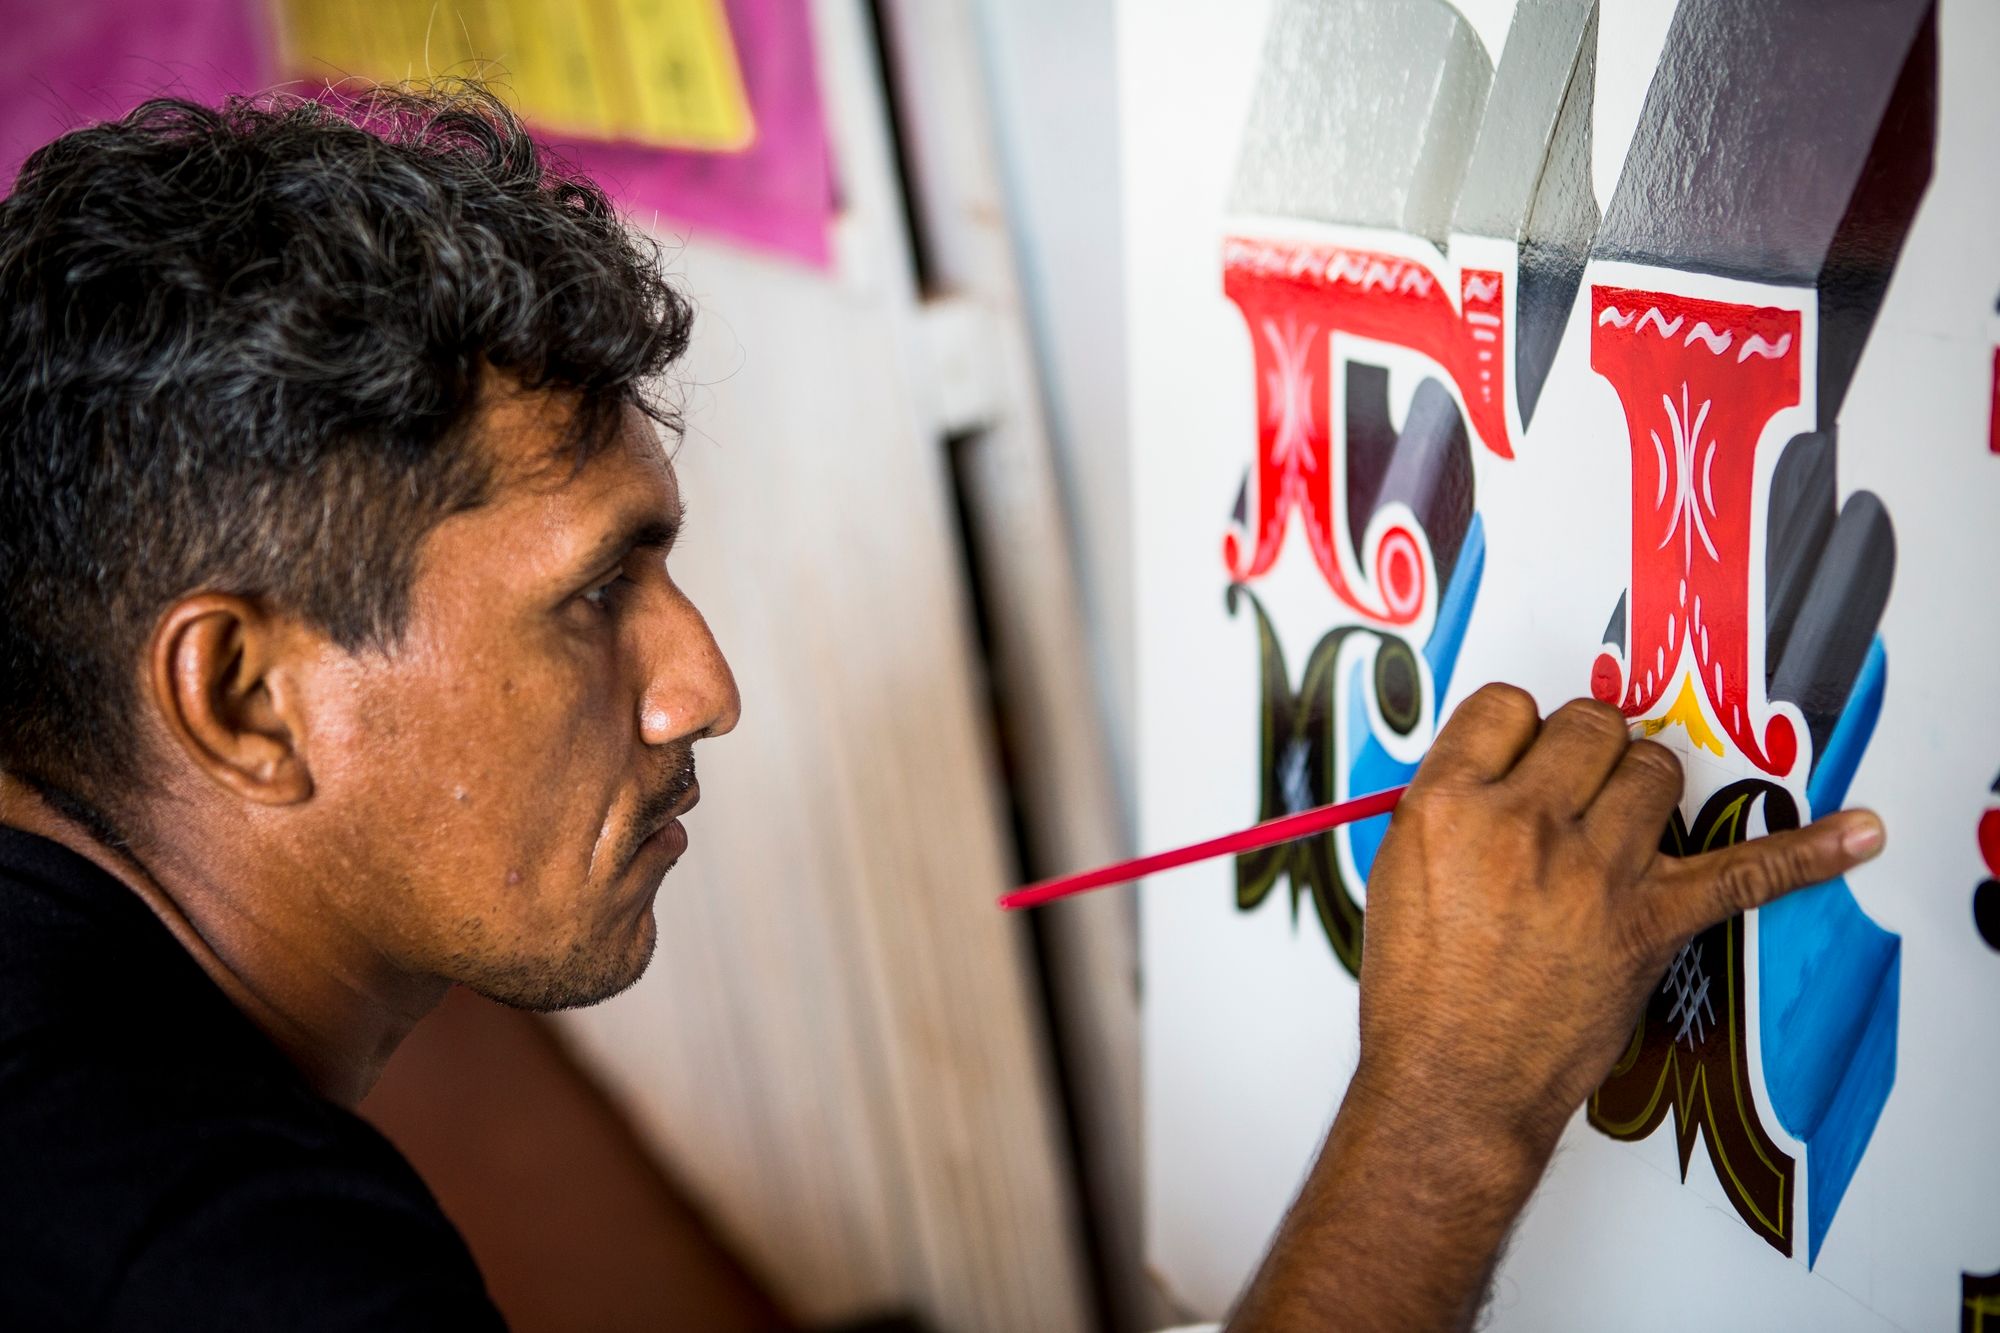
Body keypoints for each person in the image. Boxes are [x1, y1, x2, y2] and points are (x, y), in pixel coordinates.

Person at [0, 87, 1883, 1332]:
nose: (701, 683)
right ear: (244, 696)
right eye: (592, 596)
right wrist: (1450, 1113)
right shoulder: (222, 1272)